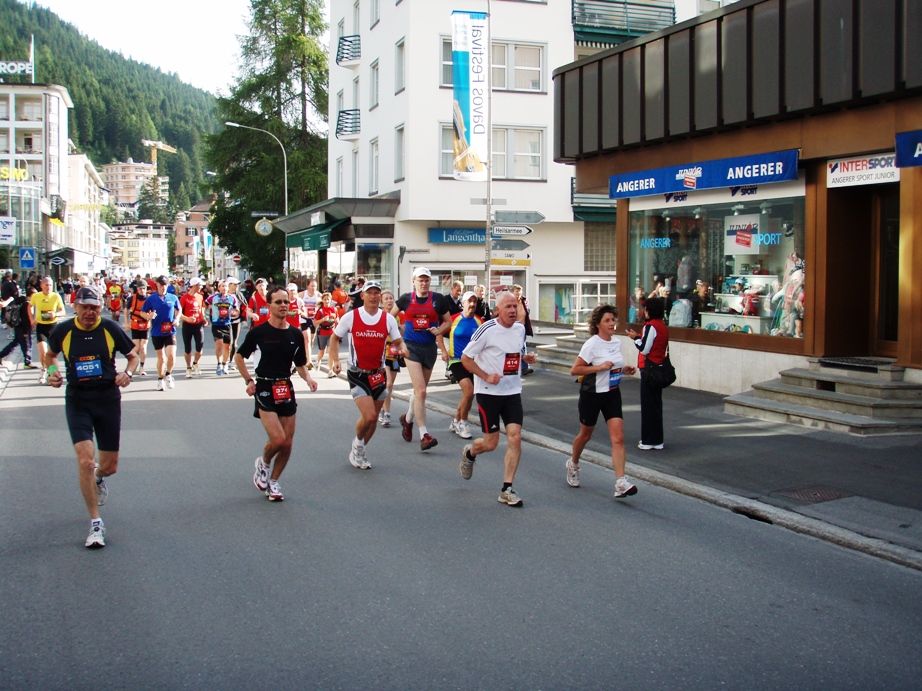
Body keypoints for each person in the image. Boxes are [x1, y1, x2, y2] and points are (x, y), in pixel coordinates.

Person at [45, 286, 140, 548]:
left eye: (95, 307)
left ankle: (98, 478)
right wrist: (52, 372)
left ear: (101, 307)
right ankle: (96, 523)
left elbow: (133, 357)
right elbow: (49, 355)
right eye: (85, 307)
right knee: (86, 461)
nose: (90, 312)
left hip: (108, 400)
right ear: (75, 307)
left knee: (109, 467)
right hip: (78, 400)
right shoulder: (64, 331)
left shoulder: (110, 329)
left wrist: (128, 374)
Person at [234, 285, 318, 501]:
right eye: (278, 302)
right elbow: (239, 357)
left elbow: (300, 364)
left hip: (285, 387)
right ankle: (263, 462)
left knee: (288, 443)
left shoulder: (295, 334)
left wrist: (308, 378)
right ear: (269, 305)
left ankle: (273, 481)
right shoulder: (259, 332)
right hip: (264, 387)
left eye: (285, 302)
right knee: (278, 440)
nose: (283, 305)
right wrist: (248, 380)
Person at [458, 291, 539, 507]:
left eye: (515, 306)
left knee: (515, 436)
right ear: (497, 310)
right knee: (491, 443)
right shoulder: (487, 330)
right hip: (488, 392)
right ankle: (471, 452)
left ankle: (507, 488)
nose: (513, 311)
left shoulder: (520, 329)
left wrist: (526, 358)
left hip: (512, 392)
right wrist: (485, 376)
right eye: (508, 307)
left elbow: (514, 354)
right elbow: (465, 358)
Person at [328, 281, 406, 470]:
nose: (373, 296)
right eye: (369, 292)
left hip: (378, 374)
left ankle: (359, 447)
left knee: (373, 420)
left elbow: (398, 341)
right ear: (362, 295)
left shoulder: (387, 319)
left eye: (376, 292)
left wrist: (403, 349)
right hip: (357, 373)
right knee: (370, 417)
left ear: (380, 296)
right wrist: (334, 360)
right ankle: (358, 445)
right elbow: (334, 338)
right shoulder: (351, 317)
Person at [566, 304, 638, 498]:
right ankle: (573, 464)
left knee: (618, 438)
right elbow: (575, 370)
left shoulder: (616, 343)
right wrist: (598, 368)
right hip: (592, 394)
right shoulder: (592, 344)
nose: (612, 323)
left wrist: (624, 370)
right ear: (598, 324)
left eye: (613, 320)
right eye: (607, 320)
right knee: (585, 435)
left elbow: (612, 366)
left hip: (612, 393)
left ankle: (620, 482)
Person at [393, 266, 452, 451]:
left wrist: (439, 330)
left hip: (429, 349)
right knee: (422, 392)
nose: (424, 283)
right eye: (421, 280)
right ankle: (424, 435)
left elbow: (448, 322)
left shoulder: (438, 299)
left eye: (427, 280)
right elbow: (388, 319)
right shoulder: (405, 299)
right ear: (414, 282)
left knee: (421, 392)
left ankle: (407, 419)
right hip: (411, 348)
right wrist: (398, 339)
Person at [626, 296, 669, 450]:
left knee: (648, 405)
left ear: (649, 311)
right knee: (656, 405)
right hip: (659, 368)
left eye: (645, 309)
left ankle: (649, 440)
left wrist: (635, 338)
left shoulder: (651, 326)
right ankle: (657, 440)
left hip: (649, 369)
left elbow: (644, 348)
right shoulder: (663, 325)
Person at [447, 291, 482, 440]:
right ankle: (463, 423)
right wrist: (443, 350)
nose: (472, 304)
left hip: (473, 362)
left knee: (469, 394)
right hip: (456, 360)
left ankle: (456, 421)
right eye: (469, 301)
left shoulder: (479, 321)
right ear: (463, 303)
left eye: (474, 302)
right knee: (469, 391)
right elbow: (438, 333)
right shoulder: (454, 319)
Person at [142, 276, 181, 391]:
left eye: (165, 285)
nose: (164, 287)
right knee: (162, 358)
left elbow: (179, 309)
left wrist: (177, 319)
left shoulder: (173, 297)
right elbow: (142, 312)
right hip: (157, 332)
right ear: (157, 285)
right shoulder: (151, 299)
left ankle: (168, 374)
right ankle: (160, 379)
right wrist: (148, 316)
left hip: (170, 331)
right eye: (161, 285)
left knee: (171, 356)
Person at [30, 276, 67, 384]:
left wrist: (55, 314)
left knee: (52, 353)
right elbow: (30, 306)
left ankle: (51, 372)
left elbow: (63, 311)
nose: (48, 287)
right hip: (41, 326)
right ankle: (44, 369)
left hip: (53, 327)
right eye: (46, 285)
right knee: (43, 352)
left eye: (50, 285)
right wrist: (32, 319)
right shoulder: (36, 296)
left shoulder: (56, 296)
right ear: (41, 286)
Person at [378, 290, 403, 427]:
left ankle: (383, 409)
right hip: (382, 353)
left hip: (394, 353)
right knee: (386, 384)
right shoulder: (379, 315)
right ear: (382, 301)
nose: (389, 301)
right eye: (386, 298)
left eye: (391, 298)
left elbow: (401, 333)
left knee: (389, 385)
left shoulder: (397, 316)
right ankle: (386, 412)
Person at [208, 280, 238, 375]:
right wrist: (205, 316)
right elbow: (204, 305)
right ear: (219, 288)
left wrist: (234, 313)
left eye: (225, 286)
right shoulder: (213, 298)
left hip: (227, 324)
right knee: (219, 344)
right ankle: (219, 363)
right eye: (222, 286)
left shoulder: (232, 298)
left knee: (228, 347)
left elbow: (236, 310)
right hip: (216, 324)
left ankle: (225, 364)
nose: (224, 288)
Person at [179, 276, 207, 377]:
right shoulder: (184, 298)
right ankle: (188, 367)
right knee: (188, 349)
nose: (201, 287)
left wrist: (204, 318)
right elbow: (178, 313)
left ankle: (195, 363)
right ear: (194, 286)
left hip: (198, 325)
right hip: (187, 326)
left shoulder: (200, 296)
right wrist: (187, 319)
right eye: (200, 285)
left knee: (200, 347)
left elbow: (202, 308)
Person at [0, 283, 33, 368]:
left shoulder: (20, 301)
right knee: (27, 344)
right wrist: (26, 331)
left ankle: (1, 355)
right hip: (23, 328)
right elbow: (25, 319)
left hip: (17, 326)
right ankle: (27, 362)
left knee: (15, 343)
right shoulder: (27, 303)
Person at [126, 281, 151, 375]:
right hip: (135, 324)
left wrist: (152, 317)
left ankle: (142, 367)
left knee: (143, 347)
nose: (142, 290)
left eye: (144, 288)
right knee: (136, 347)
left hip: (145, 325)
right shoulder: (133, 298)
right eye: (140, 289)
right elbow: (126, 310)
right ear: (137, 289)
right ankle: (132, 366)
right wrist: (126, 322)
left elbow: (153, 311)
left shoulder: (149, 299)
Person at [511, 284, 535, 376]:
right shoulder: (511, 302)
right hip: (512, 327)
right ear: (513, 292)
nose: (518, 293)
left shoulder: (524, 301)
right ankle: (516, 367)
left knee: (522, 346)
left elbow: (527, 311)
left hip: (522, 327)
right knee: (513, 347)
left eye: (520, 291)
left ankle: (524, 367)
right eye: (516, 291)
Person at [227, 277, 246, 371]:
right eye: (234, 284)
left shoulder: (238, 295)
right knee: (227, 343)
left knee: (234, 342)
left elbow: (245, 305)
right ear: (229, 285)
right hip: (225, 322)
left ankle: (230, 361)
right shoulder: (223, 295)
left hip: (236, 321)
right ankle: (224, 361)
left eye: (237, 285)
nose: (236, 286)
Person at [300, 277, 321, 366]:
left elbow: (323, 305)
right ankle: (309, 361)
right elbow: (296, 303)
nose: (313, 288)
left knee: (311, 339)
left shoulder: (319, 295)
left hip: (314, 320)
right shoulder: (302, 294)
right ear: (307, 286)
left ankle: (307, 355)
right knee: (307, 338)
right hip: (304, 319)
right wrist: (302, 312)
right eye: (312, 286)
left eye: (315, 286)